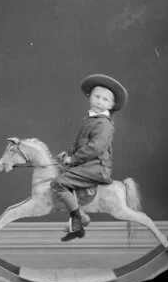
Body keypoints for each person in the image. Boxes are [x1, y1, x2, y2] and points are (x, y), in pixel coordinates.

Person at [50, 74, 128, 242]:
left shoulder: (104, 124)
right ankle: (76, 226)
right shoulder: (89, 119)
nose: (100, 101)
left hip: (97, 168)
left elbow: (94, 148)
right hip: (86, 164)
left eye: (106, 99)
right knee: (59, 171)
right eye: (97, 96)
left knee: (58, 183)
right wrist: (68, 154)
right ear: (89, 96)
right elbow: (80, 142)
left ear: (112, 105)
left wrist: (74, 159)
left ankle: (79, 218)